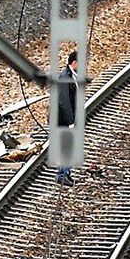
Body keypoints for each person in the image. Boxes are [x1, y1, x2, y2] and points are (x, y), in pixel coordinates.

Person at [54, 50, 79, 186]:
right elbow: (64, 102)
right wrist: (70, 121)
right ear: (74, 63)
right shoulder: (64, 78)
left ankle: (65, 173)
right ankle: (62, 174)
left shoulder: (72, 75)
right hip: (62, 120)